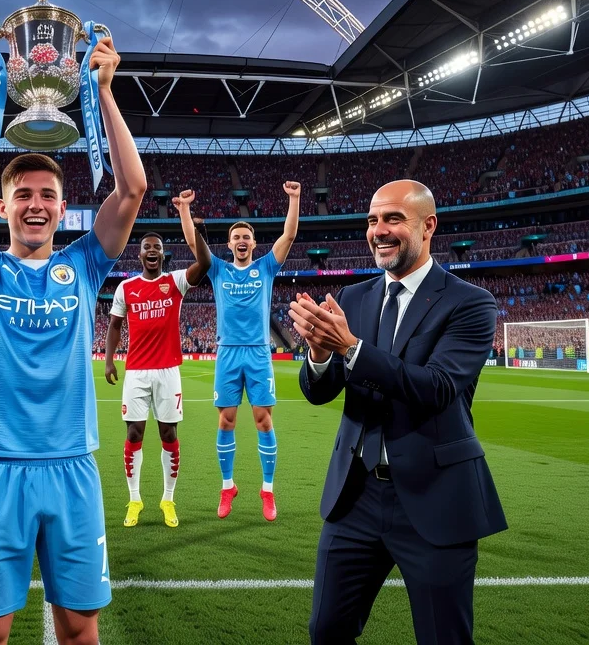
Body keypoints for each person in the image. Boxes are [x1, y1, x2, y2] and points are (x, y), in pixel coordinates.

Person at [0, 32, 143, 645]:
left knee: (79, 629)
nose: (35, 204)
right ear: (2, 206)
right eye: (22, 194)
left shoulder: (84, 265)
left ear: (62, 206)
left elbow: (131, 190)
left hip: (72, 468)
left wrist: (104, 92)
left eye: (46, 195)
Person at [290, 179, 506, 644]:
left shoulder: (470, 303)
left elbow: (437, 388)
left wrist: (348, 346)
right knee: (326, 630)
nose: (379, 230)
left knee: (442, 636)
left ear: (428, 226)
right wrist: (320, 354)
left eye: (393, 219)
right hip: (355, 495)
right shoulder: (352, 298)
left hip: (435, 496)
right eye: (372, 220)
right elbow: (320, 392)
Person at [103, 190, 210, 529]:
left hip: (167, 371)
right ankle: (134, 499)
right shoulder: (126, 288)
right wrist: (109, 361)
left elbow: (205, 264)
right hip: (135, 371)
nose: (152, 251)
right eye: (146, 247)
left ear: (164, 254)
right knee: (134, 433)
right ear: (139, 254)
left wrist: (198, 229)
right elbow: (115, 327)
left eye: (157, 247)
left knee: (168, 434)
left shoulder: (175, 282)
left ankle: (168, 499)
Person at [206, 183, 301, 521]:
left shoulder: (265, 267)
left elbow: (288, 237)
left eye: (247, 236)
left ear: (253, 243)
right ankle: (228, 485)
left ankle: (267, 491)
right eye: (236, 237)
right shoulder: (218, 269)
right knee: (226, 419)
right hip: (228, 352)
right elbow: (192, 244)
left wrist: (293, 199)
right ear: (230, 244)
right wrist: (185, 211)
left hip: (258, 353)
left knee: (263, 420)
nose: (242, 240)